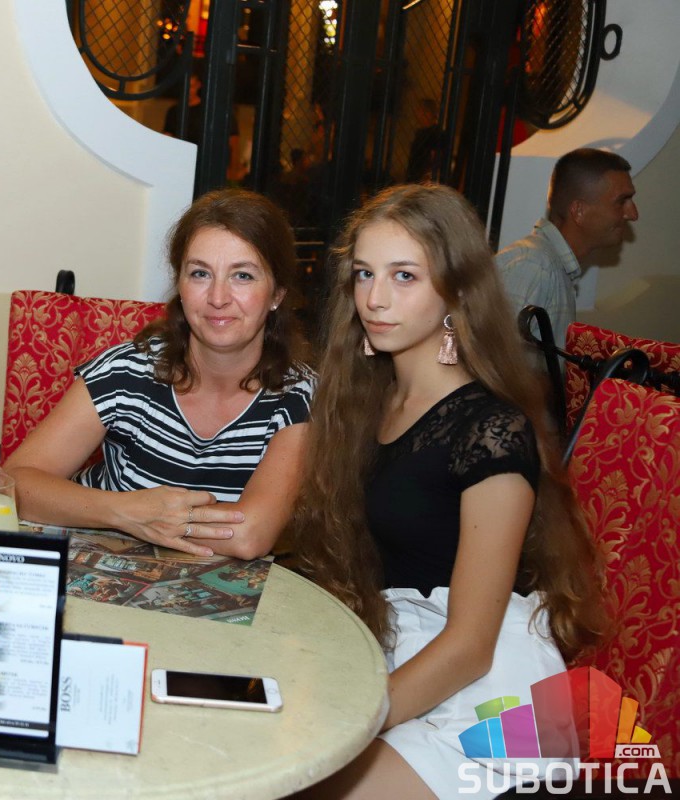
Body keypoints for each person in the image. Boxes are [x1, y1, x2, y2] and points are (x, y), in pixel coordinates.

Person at [289, 184, 606, 799]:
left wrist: (348, 722)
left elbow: (471, 647)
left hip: (489, 701)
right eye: (364, 274)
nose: (375, 298)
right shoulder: (367, 405)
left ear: (457, 292)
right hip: (399, 661)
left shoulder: (491, 429)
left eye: (404, 276)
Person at [4, 189, 315, 561]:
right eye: (200, 273)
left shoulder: (298, 396)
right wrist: (126, 511)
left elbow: (249, 536)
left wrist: (157, 519)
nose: (218, 297)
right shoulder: (126, 370)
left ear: (277, 294)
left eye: (243, 276)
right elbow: (14, 483)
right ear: (180, 285)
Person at [496, 148, 638, 351]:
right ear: (579, 210)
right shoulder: (534, 267)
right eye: (621, 201)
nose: (633, 214)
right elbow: (493, 360)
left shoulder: (549, 266)